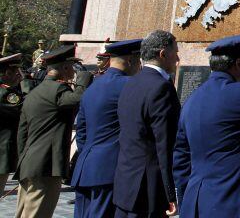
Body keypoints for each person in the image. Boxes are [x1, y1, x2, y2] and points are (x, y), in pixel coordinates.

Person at [173, 33, 240, 218]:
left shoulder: (192, 100)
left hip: (196, 203)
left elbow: (181, 159)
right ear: (239, 64)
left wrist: (187, 203)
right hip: (232, 202)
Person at [15, 44, 93, 218]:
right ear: (65, 67)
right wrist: (84, 79)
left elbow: (22, 134)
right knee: (38, 214)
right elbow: (78, 99)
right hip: (46, 166)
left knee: (23, 213)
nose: (73, 72)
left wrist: (24, 158)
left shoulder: (34, 93)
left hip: (29, 163)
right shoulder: (58, 90)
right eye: (72, 67)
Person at [71, 39, 142, 218]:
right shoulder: (130, 86)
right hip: (109, 170)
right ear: (131, 60)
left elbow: (82, 131)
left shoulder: (93, 87)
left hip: (85, 167)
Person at [114, 30, 180, 218]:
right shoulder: (162, 87)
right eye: (175, 51)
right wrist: (170, 192)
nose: (177, 58)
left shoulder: (131, 83)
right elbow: (164, 144)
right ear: (162, 54)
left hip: (125, 183)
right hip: (147, 188)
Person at [0, 53, 24, 191]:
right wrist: (25, 84)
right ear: (8, 73)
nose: (19, 76)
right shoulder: (6, 94)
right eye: (17, 72)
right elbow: (24, 108)